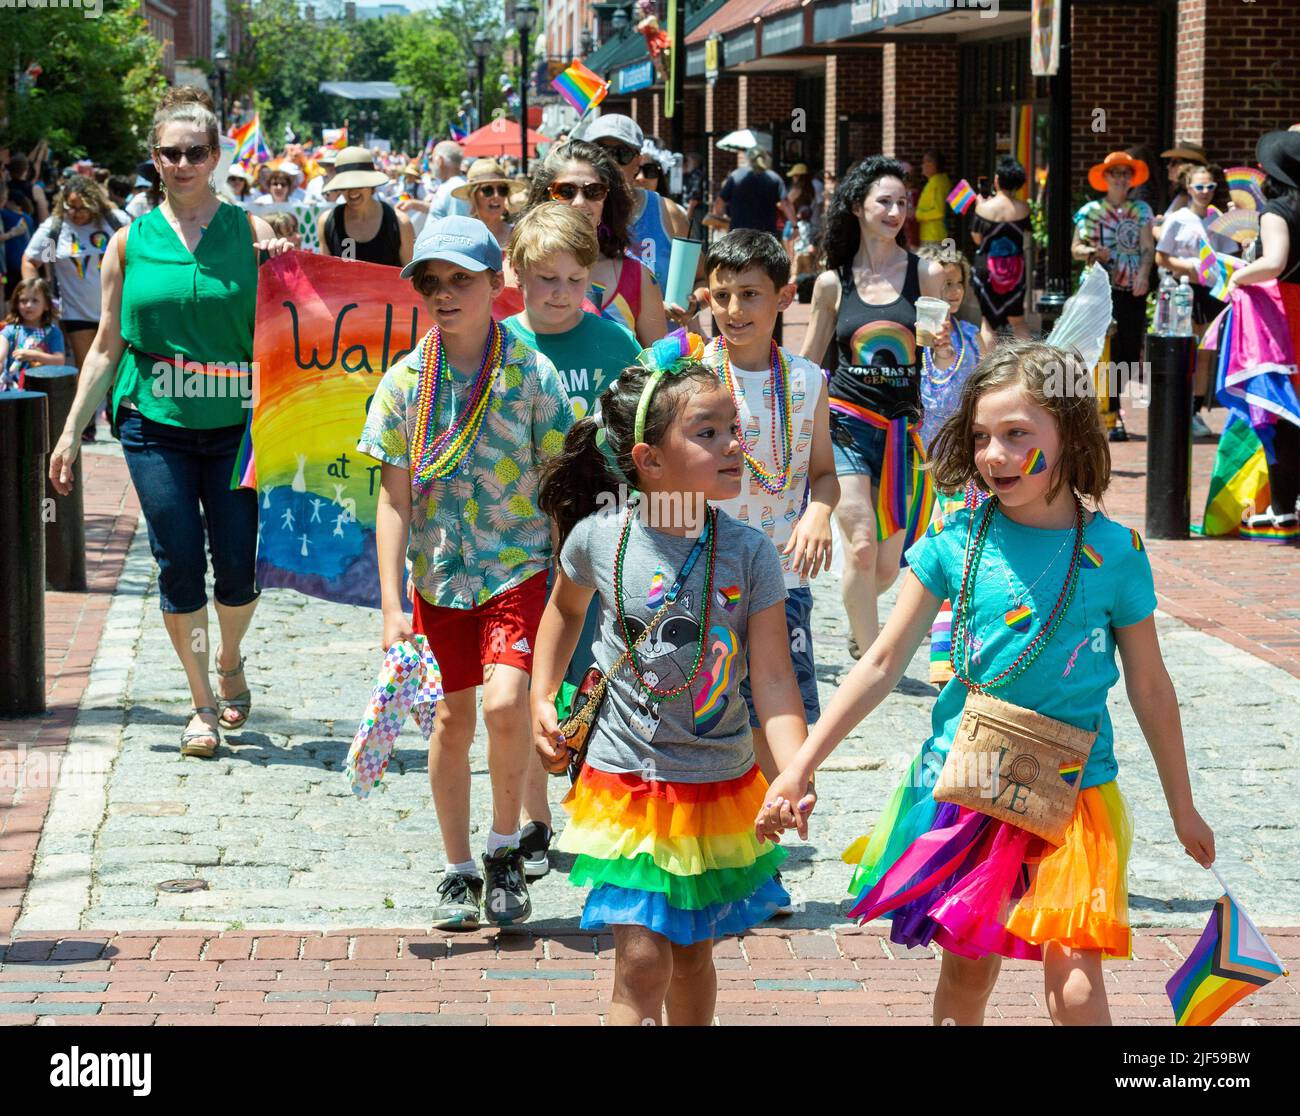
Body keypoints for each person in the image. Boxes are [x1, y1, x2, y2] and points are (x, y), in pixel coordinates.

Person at [759, 340, 1216, 1026]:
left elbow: (1151, 687)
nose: (994, 454)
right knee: (967, 973)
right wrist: (798, 767)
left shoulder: (1116, 554)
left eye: (1016, 435)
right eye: (980, 437)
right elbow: (881, 662)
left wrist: (1183, 807)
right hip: (971, 785)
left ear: (1070, 433)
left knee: (1078, 983)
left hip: (1075, 797)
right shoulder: (956, 541)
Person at [530, 338, 812, 1026]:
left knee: (692, 957)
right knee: (642, 959)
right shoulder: (600, 537)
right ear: (649, 461)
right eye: (707, 432)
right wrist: (542, 696)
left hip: (718, 784)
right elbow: (564, 612)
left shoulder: (751, 554)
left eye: (734, 431)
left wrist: (795, 770)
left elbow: (773, 680)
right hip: (627, 782)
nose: (730, 446)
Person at [46, 86, 295, 758]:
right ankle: (202, 706)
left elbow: (301, 323)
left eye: (194, 151)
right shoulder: (128, 242)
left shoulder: (250, 233)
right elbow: (105, 342)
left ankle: (231, 657)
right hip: (153, 421)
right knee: (178, 561)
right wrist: (71, 430)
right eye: (169, 152)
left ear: (214, 156)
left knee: (236, 568)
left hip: (239, 427)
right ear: (155, 159)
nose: (182, 162)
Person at [357, 215, 574, 930]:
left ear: (495, 283)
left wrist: (573, 580)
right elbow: (394, 499)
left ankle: (505, 846)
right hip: (438, 578)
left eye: (461, 280)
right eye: (432, 283)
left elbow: (559, 482)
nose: (445, 296)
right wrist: (391, 604)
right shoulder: (403, 385)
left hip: (517, 569)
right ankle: (456, 870)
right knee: (450, 720)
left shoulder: (532, 373)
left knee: (507, 704)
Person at [500, 202, 642, 877]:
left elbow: (646, 432)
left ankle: (595, 801)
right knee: (533, 674)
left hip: (603, 538)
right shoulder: (500, 344)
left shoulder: (616, 345)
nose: (557, 293)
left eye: (571, 279)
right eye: (542, 279)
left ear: (593, 278)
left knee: (600, 672)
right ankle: (534, 820)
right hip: (523, 542)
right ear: (516, 275)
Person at [698, 228, 838, 812]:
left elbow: (824, 474)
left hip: (784, 581)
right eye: (722, 295)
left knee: (781, 711)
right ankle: (717, 835)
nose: (734, 310)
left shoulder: (807, 382)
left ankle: (770, 833)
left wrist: (820, 514)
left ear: (785, 298)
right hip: (703, 579)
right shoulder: (692, 379)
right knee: (709, 712)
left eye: (751, 294)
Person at [799, 155, 948, 658]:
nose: (895, 211)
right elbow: (811, 357)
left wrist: (945, 344)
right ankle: (874, 658)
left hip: (903, 432)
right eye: (883, 201)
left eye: (901, 202)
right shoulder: (831, 283)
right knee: (860, 543)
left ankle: (857, 621)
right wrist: (776, 402)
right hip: (846, 423)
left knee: (886, 565)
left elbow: (936, 351)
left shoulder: (925, 273)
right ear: (859, 208)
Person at [1224, 130, 1300, 530]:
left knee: (1279, 409)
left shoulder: (1276, 210)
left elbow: (1274, 262)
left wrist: (1240, 277)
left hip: (1284, 315)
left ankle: (1284, 505)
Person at [524, 140, 668, 346]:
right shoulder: (518, 271)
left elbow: (662, 371)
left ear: (607, 200)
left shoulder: (638, 277)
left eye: (593, 191)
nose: (580, 202)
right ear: (546, 196)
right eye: (565, 191)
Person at [22, 174, 130, 440]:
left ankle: (118, 417)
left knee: (117, 365)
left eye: (82, 207)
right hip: (76, 312)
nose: (76, 213)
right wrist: (37, 294)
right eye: (71, 207)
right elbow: (33, 261)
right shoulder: (56, 229)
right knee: (88, 365)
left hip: (116, 307)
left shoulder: (114, 222)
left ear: (94, 204)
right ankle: (87, 423)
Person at [1072, 150, 1155, 442]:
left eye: (1125, 174)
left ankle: (1110, 405)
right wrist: (1093, 252)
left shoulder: (1141, 210)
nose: (1120, 179)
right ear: (1105, 177)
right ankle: (1108, 412)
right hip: (1099, 289)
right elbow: (1076, 249)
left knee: (1130, 353)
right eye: (1115, 173)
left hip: (1132, 288)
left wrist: (1145, 273)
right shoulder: (1090, 212)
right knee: (1105, 349)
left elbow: (1147, 247)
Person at [1155, 163, 1236, 439]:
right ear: (1188, 188)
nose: (1204, 192)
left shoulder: (1219, 218)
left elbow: (1230, 256)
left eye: (1210, 186)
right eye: (1199, 187)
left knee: (1206, 352)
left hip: (1211, 291)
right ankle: (1176, 405)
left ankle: (1194, 410)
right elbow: (1161, 256)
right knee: (1184, 346)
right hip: (1183, 287)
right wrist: (1189, 267)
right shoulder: (1178, 218)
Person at [585, 114, 687, 293]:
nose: (611, 162)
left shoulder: (667, 212)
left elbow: (697, 279)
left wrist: (691, 304)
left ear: (638, 161)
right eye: (600, 152)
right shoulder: (571, 212)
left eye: (622, 154)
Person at [969, 156, 1033, 349]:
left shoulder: (983, 207)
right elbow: (1027, 237)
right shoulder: (1024, 208)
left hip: (988, 269)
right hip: (1015, 271)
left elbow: (977, 239)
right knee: (1018, 321)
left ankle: (987, 370)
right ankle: (1029, 367)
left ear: (997, 180)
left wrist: (980, 205)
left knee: (988, 324)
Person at [317, 146, 414, 269]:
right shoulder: (327, 223)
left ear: (371, 184)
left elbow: (411, 280)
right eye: (345, 186)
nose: (352, 192)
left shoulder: (400, 223)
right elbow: (326, 275)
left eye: (359, 184)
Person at [1, 277, 65, 390]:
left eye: (35, 301)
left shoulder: (53, 332)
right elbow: (1, 351)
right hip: (13, 390)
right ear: (16, 304)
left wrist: (32, 355)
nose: (28, 305)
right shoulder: (10, 330)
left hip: (42, 390)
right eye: (23, 301)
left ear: (46, 305)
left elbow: (59, 360)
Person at [713, 146, 784, 237]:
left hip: (739, 232)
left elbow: (720, 201)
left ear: (748, 159)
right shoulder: (774, 178)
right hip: (766, 233)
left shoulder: (736, 176)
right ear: (765, 159)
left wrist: (717, 220)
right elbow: (785, 203)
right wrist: (794, 226)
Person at [452, 158, 515, 251]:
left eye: (502, 190)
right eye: (487, 190)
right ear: (473, 196)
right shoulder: (460, 238)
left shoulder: (518, 235)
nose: (496, 196)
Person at [1152, 141, 1208, 239]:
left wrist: (1154, 226)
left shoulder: (1187, 198)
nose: (1168, 166)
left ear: (1186, 167)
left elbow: (1164, 237)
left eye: (1174, 163)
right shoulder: (1180, 194)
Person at [1, 179, 36, 298]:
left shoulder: (5, 214)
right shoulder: (29, 218)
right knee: (19, 294)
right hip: (23, 263)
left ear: (11, 202)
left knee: (6, 293)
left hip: (8, 267)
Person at [422, 141, 470, 221]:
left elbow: (457, 228)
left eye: (431, 158)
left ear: (439, 160)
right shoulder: (453, 186)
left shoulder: (454, 189)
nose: (430, 163)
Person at [914, 149, 952, 248]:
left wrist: (918, 215)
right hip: (933, 235)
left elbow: (939, 211)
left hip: (934, 237)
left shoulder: (937, 183)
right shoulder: (937, 181)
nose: (921, 166)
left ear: (932, 165)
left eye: (924, 162)